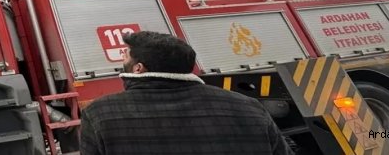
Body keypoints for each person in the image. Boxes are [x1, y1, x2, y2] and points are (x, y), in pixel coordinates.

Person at [79, 31, 293, 155]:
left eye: (125, 57)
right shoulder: (248, 106)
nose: (121, 62)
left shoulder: (100, 114)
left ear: (138, 68)